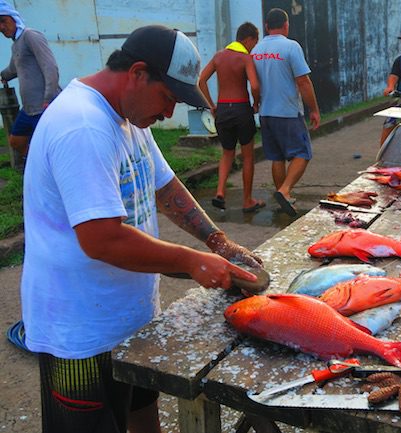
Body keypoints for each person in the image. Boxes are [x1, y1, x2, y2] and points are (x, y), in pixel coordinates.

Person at [21, 25, 262, 433]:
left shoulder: (132, 119)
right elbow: (102, 239)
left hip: (129, 321)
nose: (169, 113)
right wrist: (191, 262)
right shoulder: (83, 125)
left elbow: (166, 188)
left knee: (139, 415)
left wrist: (217, 243)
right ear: (136, 73)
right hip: (79, 333)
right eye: (168, 98)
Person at [251, 8, 320, 216]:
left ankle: (285, 197)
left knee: (277, 157)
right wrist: (314, 109)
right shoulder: (291, 47)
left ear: (266, 26)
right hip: (288, 112)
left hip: (266, 112)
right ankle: (285, 190)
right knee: (303, 153)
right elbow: (303, 81)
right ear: (286, 25)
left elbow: (254, 84)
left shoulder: (255, 51)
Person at [198, 22, 264, 213]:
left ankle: (220, 193)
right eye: (254, 42)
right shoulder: (245, 58)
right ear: (247, 39)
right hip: (241, 109)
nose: (253, 46)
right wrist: (256, 103)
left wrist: (211, 105)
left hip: (223, 111)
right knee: (248, 156)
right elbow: (255, 85)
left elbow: (201, 80)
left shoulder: (219, 56)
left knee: (227, 153)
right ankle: (247, 201)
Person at [0, 1, 60, 163]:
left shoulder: (31, 36)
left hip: (44, 106)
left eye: (3, 20)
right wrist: (3, 75)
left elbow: (50, 67)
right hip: (29, 108)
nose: (1, 27)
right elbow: (13, 69)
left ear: (14, 18)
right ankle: (37, 162)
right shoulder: (16, 45)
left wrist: (48, 98)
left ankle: (43, 167)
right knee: (16, 140)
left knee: (48, 145)